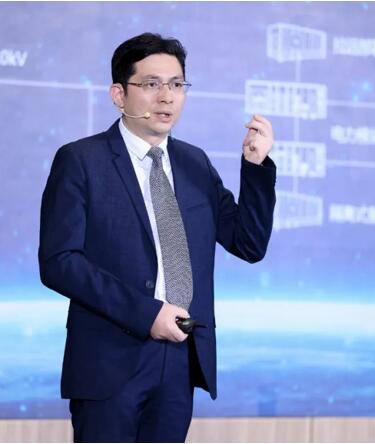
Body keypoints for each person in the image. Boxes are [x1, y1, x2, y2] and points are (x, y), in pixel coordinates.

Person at [38, 32, 276, 442]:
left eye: (177, 84)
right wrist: (147, 314)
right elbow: (60, 262)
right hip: (110, 360)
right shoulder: (81, 160)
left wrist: (255, 167)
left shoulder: (194, 163)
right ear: (119, 94)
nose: (167, 97)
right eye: (151, 84)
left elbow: (248, 243)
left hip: (180, 359)